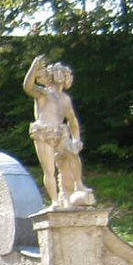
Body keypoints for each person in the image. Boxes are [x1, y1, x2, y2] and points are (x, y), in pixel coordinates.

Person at [23, 54, 95, 209]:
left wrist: (76, 139)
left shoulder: (65, 99)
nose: (60, 75)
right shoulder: (43, 93)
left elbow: (73, 121)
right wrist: (34, 66)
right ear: (51, 76)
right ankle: (55, 201)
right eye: (58, 72)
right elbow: (27, 86)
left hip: (59, 133)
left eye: (63, 73)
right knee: (49, 170)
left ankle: (79, 185)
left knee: (73, 154)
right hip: (43, 133)